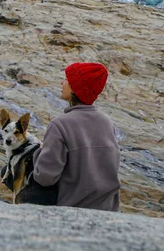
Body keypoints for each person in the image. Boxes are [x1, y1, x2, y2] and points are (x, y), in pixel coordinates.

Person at [33, 62, 121, 210]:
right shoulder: (107, 122)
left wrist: (39, 151)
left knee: (9, 172)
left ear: (75, 87)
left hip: (73, 209)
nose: (62, 83)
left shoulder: (59, 124)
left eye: (66, 79)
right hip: (108, 209)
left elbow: (44, 177)